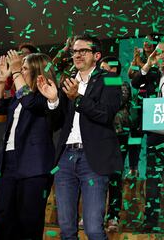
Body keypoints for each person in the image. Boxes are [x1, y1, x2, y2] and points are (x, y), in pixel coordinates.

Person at [37, 34, 122, 240]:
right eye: (75, 51)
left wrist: (78, 98)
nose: (77, 55)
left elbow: (106, 114)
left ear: (96, 55)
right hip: (65, 159)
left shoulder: (111, 79)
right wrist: (53, 100)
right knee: (66, 229)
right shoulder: (67, 82)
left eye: (83, 51)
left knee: (93, 229)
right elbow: (56, 123)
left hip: (93, 158)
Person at [0, 51, 56, 240]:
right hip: (9, 162)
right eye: (20, 68)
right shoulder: (18, 97)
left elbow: (30, 103)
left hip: (34, 165)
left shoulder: (47, 95)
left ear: (37, 71)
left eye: (24, 69)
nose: (18, 72)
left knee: (29, 220)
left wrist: (16, 72)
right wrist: (2, 79)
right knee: (3, 218)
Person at [131, 41, 164, 234]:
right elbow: (135, 82)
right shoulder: (152, 75)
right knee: (152, 180)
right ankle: (151, 223)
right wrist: (148, 63)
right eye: (158, 54)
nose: (161, 56)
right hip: (154, 133)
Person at [100, 56, 134, 232]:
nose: (101, 70)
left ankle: (113, 216)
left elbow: (114, 103)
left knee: (114, 178)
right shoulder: (97, 85)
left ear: (113, 70)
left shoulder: (122, 85)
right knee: (97, 177)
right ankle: (96, 214)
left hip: (119, 137)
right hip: (99, 137)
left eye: (105, 68)